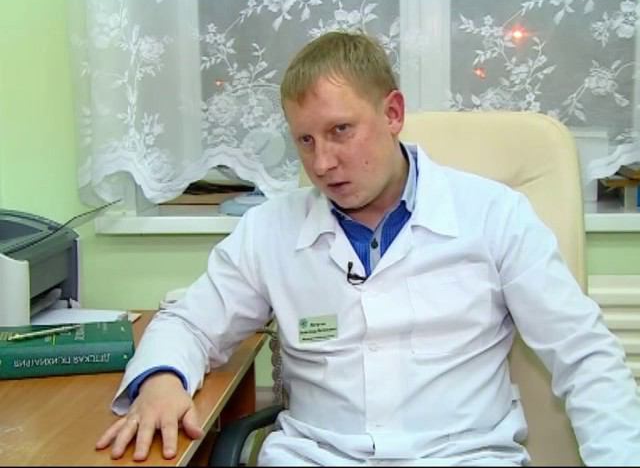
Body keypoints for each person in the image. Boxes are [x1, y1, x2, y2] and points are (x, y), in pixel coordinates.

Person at [96, 31, 640, 466]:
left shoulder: (494, 215)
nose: (322, 163)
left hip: (461, 456)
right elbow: (189, 322)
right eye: (305, 140)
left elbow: (584, 356)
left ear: (393, 114)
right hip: (318, 456)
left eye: (340, 130)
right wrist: (162, 380)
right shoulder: (270, 230)